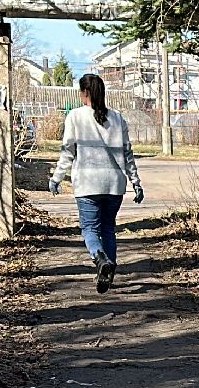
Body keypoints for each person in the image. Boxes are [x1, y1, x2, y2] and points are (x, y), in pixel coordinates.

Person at [50, 73, 143, 293]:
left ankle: (100, 259)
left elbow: (68, 152)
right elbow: (128, 153)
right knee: (109, 229)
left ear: (85, 93)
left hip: (87, 183)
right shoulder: (118, 118)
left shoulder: (75, 116)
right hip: (114, 184)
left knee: (90, 229)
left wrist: (57, 177)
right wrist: (136, 182)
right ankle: (107, 273)